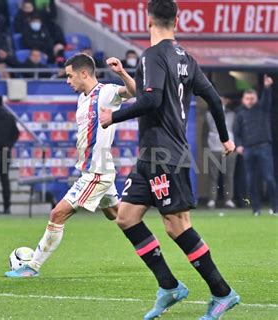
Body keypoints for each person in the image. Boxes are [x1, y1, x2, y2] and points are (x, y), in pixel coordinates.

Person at [98, 1, 239, 319]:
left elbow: (152, 99)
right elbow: (213, 97)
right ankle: (169, 286)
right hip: (151, 155)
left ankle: (222, 292)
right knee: (126, 216)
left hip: (166, 155)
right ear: (178, 19)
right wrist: (226, 136)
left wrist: (113, 116)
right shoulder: (185, 58)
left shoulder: (152, 55)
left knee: (177, 226)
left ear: (147, 19)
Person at [5, 53, 136, 277]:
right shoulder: (83, 98)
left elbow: (133, 92)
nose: (68, 81)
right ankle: (152, 247)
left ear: (84, 73)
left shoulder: (104, 93)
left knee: (57, 214)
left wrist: (122, 73)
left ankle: (32, 267)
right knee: (118, 215)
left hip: (98, 172)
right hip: (95, 170)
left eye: (70, 76)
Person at [234, 76, 277, 216]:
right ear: (243, 99)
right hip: (248, 149)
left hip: (264, 147)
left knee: (269, 178)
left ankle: (275, 207)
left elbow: (266, 99)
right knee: (251, 180)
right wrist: (239, 145)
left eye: (252, 98)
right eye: (247, 98)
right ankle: (256, 209)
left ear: (256, 98)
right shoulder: (240, 113)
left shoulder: (262, 108)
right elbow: (237, 133)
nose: (250, 100)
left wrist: (267, 88)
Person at [206, 97, 236, 209]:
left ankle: (229, 199)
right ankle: (212, 199)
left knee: (229, 175)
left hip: (229, 148)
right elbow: (205, 131)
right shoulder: (209, 114)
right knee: (213, 175)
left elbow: (235, 129)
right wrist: (206, 147)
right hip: (213, 147)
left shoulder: (232, 114)